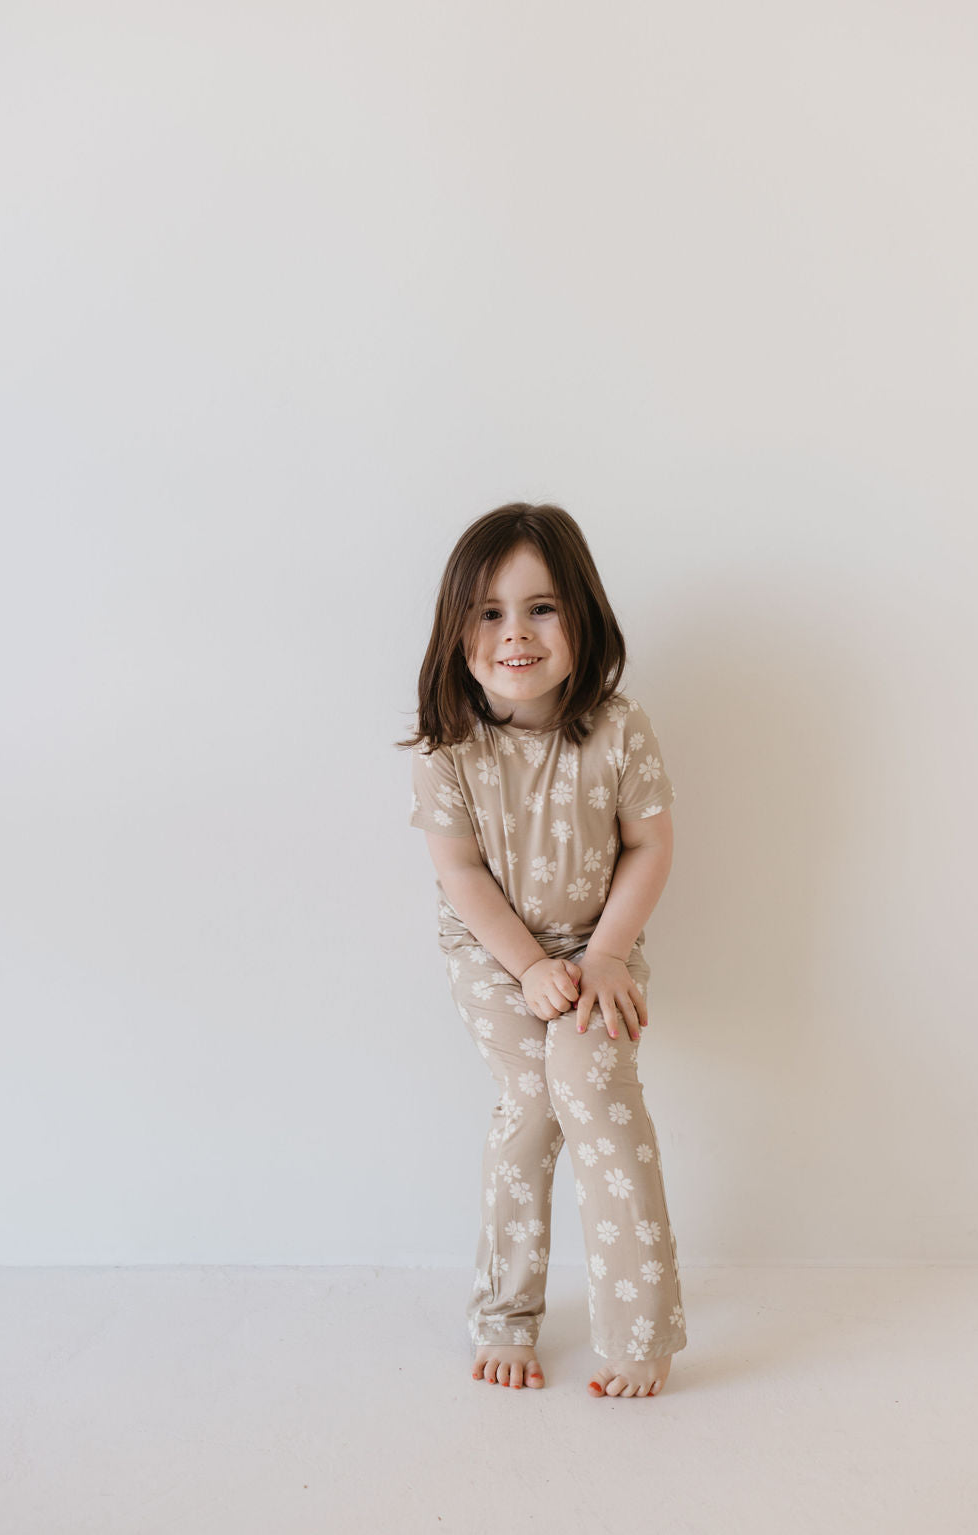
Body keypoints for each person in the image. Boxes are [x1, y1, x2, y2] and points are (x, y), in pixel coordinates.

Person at [399, 502, 687, 1398]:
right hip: (496, 957)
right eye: (489, 611)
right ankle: (505, 1317)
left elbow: (650, 844)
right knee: (532, 1103)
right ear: (458, 630)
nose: (514, 633)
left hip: (600, 945)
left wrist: (602, 957)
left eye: (541, 607)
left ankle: (641, 1333)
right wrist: (528, 967)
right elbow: (461, 874)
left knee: (594, 1087)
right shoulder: (450, 749)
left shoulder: (619, 728)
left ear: (582, 617)